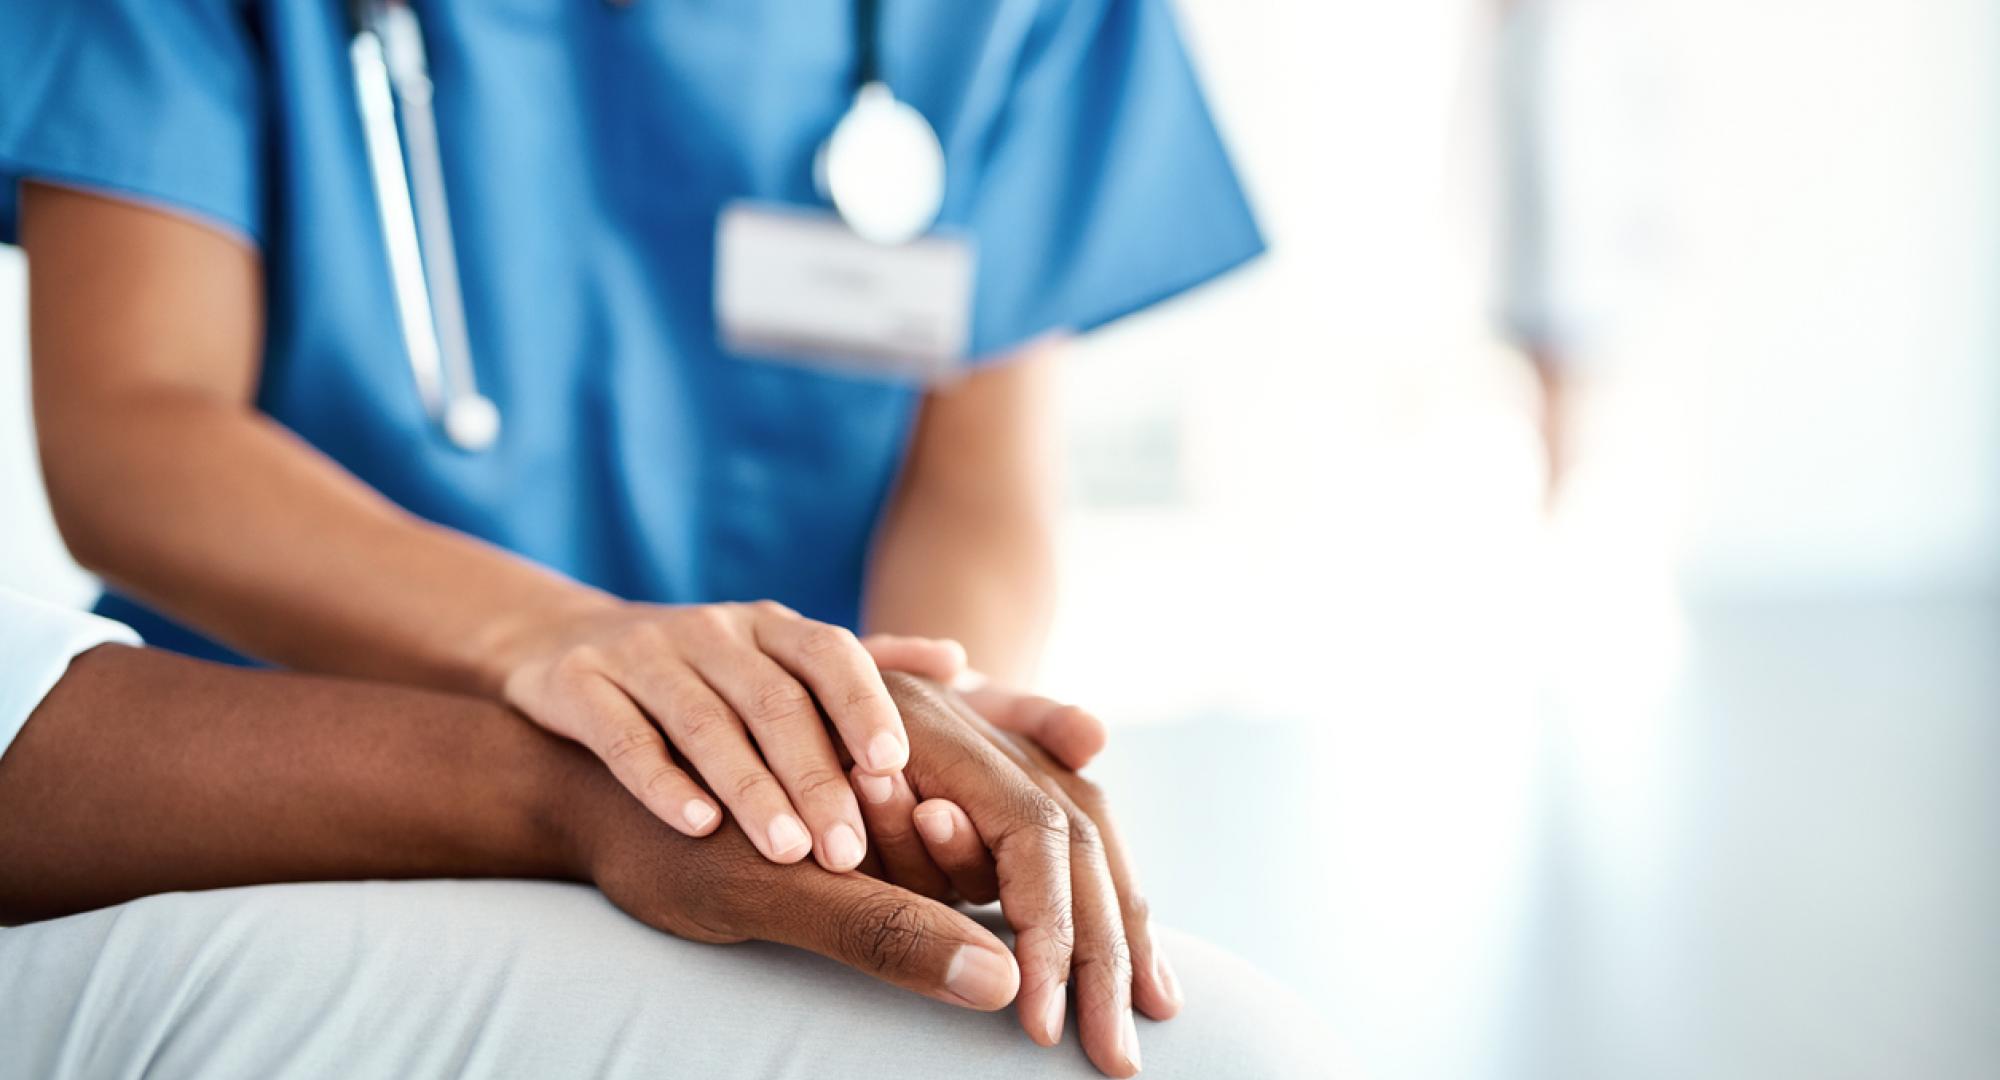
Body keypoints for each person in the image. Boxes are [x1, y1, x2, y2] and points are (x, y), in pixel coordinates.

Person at [0, 588, 1324, 1078]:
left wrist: (872, 735)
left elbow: (980, 437)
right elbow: (140, 420)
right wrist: (576, 773)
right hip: (266, 768)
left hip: (730, 759)